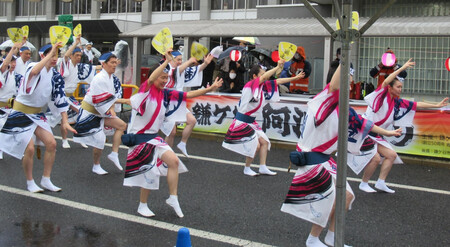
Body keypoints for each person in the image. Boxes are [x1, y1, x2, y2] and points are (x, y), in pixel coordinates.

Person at [280, 63, 402, 247]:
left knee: (346, 196)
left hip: (324, 158)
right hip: (313, 159)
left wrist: (389, 134)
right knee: (327, 199)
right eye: (349, 78)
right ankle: (313, 239)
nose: (351, 83)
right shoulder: (327, 99)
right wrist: (345, 57)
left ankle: (331, 236)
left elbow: (363, 123)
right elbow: (335, 85)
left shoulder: (342, 107)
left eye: (351, 80)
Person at [123, 49, 223, 218]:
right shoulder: (145, 91)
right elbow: (152, 78)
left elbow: (188, 94)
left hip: (154, 138)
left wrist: (211, 88)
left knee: (174, 162)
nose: (165, 80)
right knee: (149, 173)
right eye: (162, 77)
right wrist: (165, 62)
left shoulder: (166, 93)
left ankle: (173, 197)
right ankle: (142, 205)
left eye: (167, 78)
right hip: (140, 139)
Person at [354, 59, 448, 193]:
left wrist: (437, 105)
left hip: (376, 133)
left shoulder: (397, 102)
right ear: (390, 88)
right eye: (398, 87)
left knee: (391, 155)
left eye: (401, 87)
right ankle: (363, 184)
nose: (400, 89)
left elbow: (416, 105)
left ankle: (380, 182)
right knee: (375, 158)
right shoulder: (382, 95)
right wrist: (401, 68)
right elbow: (386, 81)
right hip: (364, 130)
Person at [0, 42, 76, 192]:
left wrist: (65, 121)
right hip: (21, 112)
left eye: (56, 55)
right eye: (51, 55)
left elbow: (60, 98)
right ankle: (30, 182)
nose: (54, 58)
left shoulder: (55, 76)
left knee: (52, 144)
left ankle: (46, 179)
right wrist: (51, 51)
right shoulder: (32, 66)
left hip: (37, 114)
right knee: (28, 149)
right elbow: (34, 72)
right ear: (43, 56)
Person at [222, 60, 305, 176]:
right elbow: (266, 77)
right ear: (255, 76)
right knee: (255, 146)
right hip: (242, 121)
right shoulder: (250, 85)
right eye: (262, 74)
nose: (264, 76)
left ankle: (262, 167)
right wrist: (277, 67)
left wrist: (294, 78)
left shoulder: (262, 86)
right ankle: (247, 168)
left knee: (265, 142)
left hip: (251, 121)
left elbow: (277, 81)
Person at [72, 52, 128, 175]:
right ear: (104, 64)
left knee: (122, 125)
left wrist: (112, 108)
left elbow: (110, 97)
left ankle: (114, 153)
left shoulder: (110, 78)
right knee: (100, 140)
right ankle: (96, 165)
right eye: (112, 63)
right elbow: (102, 99)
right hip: (90, 113)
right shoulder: (99, 78)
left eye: (115, 63)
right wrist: (123, 101)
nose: (114, 65)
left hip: (100, 112)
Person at [162, 50, 215, 158]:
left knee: (192, 121)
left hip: (178, 103)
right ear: (171, 59)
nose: (180, 62)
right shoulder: (165, 69)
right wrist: (189, 61)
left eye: (181, 59)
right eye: (178, 60)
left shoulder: (180, 70)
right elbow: (176, 71)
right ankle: (165, 156)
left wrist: (205, 63)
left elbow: (195, 70)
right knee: (171, 133)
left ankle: (182, 143)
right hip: (167, 104)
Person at [56, 35, 97, 149]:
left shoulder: (79, 67)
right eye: (77, 55)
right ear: (72, 56)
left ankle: (80, 137)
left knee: (82, 114)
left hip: (71, 97)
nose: (79, 57)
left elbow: (92, 68)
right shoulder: (65, 63)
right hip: (61, 96)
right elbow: (65, 56)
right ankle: (64, 140)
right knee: (63, 119)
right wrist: (75, 43)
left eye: (80, 55)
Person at [0, 40, 25, 160]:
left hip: (10, 107)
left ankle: (14, 149)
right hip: (0, 108)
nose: (13, 64)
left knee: (16, 129)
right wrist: (13, 48)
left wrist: (18, 47)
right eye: (11, 62)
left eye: (15, 62)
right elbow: (4, 65)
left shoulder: (14, 75)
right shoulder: (3, 72)